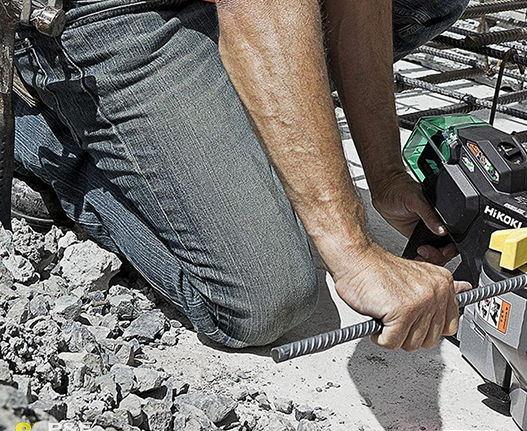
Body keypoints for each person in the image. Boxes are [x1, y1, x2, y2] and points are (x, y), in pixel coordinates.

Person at [12, 0, 471, 350]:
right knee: (266, 298)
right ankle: (38, 130)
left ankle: (228, 103)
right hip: (111, 9)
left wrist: (386, 175)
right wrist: (354, 252)